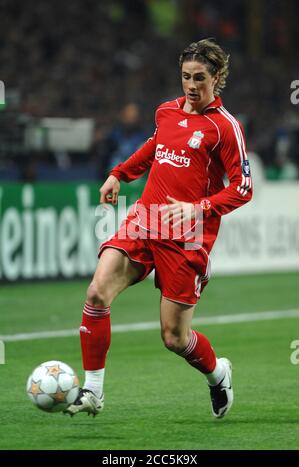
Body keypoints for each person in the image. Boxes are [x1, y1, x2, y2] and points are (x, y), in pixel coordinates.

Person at [65, 38, 253, 419]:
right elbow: (154, 147)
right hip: (145, 220)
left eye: (200, 78)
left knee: (174, 337)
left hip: (187, 237)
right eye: (186, 76)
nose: (191, 85)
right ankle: (93, 391)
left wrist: (197, 207)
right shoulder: (166, 111)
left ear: (217, 78)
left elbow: (243, 188)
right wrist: (119, 173)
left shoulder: (225, 128)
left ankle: (218, 374)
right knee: (97, 292)